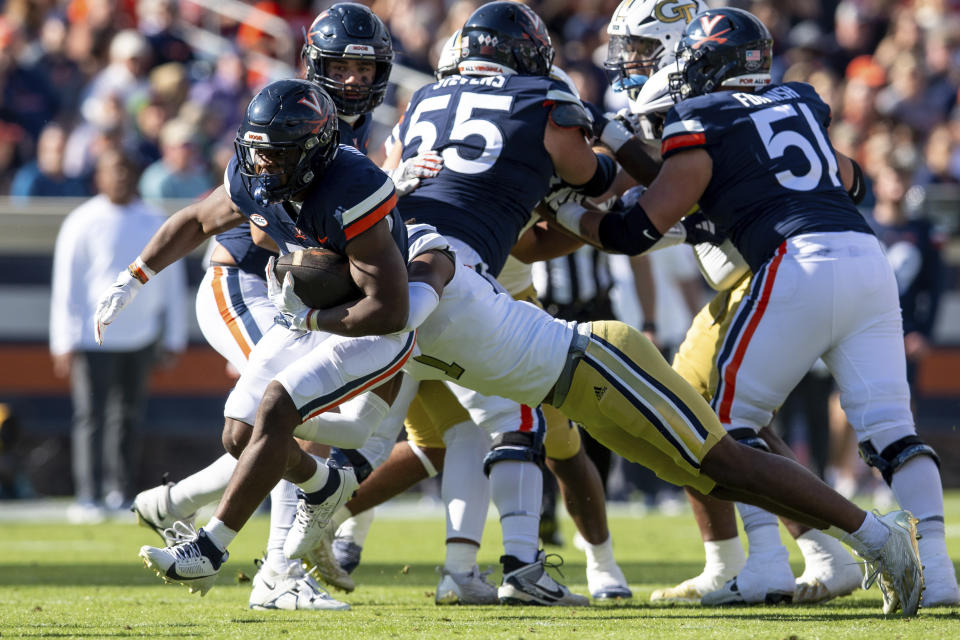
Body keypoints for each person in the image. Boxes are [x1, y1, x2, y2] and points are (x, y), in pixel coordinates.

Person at [151, 213, 926, 616]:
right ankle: (849, 541)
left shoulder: (416, 276)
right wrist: (308, 471)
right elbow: (359, 432)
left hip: (597, 359)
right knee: (714, 476)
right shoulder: (382, 326)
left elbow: (414, 290)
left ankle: (878, 539)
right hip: (562, 386)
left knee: (721, 463)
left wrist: (231, 516)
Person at [549, 6, 956, 610]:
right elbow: (852, 181)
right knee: (893, 432)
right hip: (863, 255)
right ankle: (942, 578)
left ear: (708, 62)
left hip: (793, 264)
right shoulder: (800, 100)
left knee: (719, 428)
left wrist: (569, 216)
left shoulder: (701, 115)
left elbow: (635, 230)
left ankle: (765, 563)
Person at [128, 2, 440, 610]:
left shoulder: (348, 162)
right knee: (259, 425)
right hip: (249, 281)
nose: (353, 80)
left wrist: (383, 201)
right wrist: (136, 274)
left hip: (333, 306)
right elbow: (246, 229)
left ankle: (232, 544)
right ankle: (289, 531)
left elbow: (382, 292)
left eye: (365, 67)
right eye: (340, 67)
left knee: (285, 419)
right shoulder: (279, 133)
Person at [599, 0, 861, 606]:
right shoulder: (690, 97)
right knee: (709, 415)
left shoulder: (699, 101)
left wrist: (604, 198)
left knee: (694, 415)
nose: (630, 63)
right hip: (761, 266)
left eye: (641, 48)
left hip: (766, 267)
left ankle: (767, 560)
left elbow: (674, 194)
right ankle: (792, 556)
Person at [49, 149, 187, 523]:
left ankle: (119, 491)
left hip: (141, 337)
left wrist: (173, 335)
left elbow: (171, 282)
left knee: (128, 416)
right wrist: (62, 340)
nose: (121, 177)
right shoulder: (81, 221)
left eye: (127, 169)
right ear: (100, 177)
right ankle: (88, 495)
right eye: (114, 170)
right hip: (91, 338)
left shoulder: (155, 219)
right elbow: (67, 285)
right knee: (90, 416)